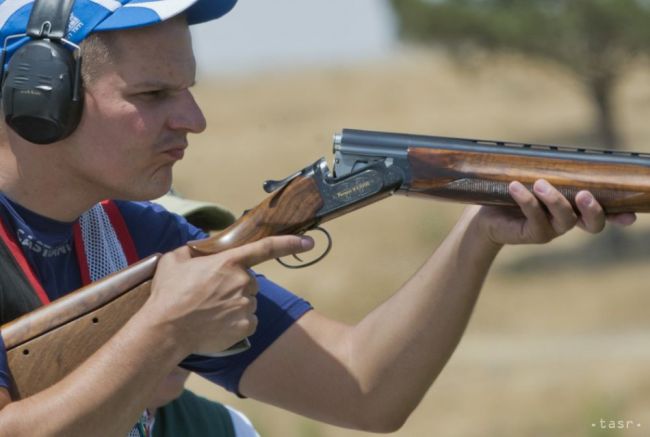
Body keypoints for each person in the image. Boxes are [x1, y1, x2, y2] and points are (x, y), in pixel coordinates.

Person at [0, 1, 636, 436]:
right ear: (41, 96)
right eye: (152, 95)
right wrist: (167, 329)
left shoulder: (136, 236)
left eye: (187, 89)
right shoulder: (150, 260)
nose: (192, 119)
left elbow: (365, 388)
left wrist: (478, 234)